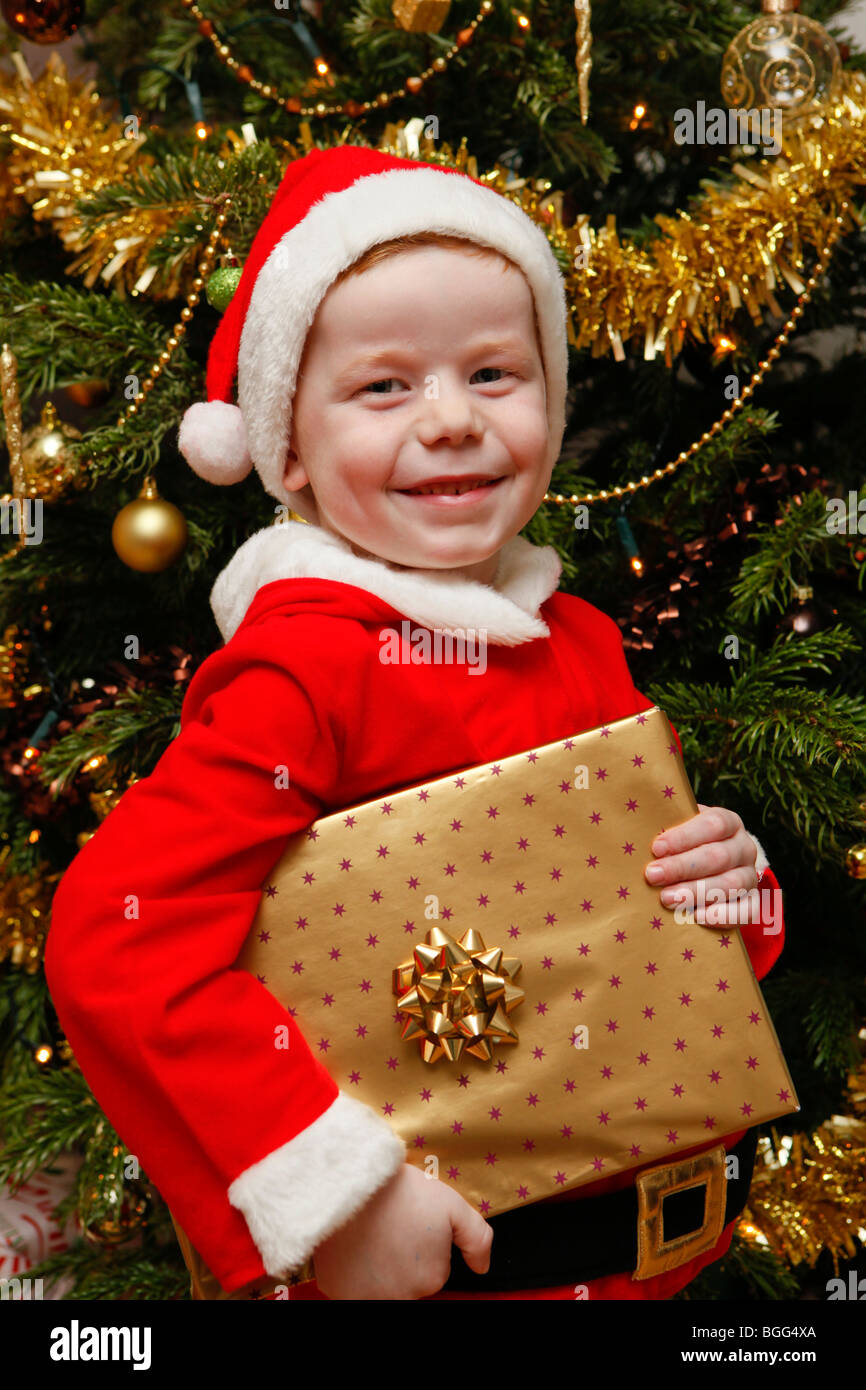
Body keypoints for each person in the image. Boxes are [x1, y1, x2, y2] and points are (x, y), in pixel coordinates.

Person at [44, 145, 784, 1302]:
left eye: (493, 372)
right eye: (384, 387)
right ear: (285, 447)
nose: (449, 422)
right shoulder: (303, 672)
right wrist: (339, 1189)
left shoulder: (576, 638)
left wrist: (729, 885)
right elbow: (118, 937)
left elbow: (631, 936)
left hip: (645, 1262)